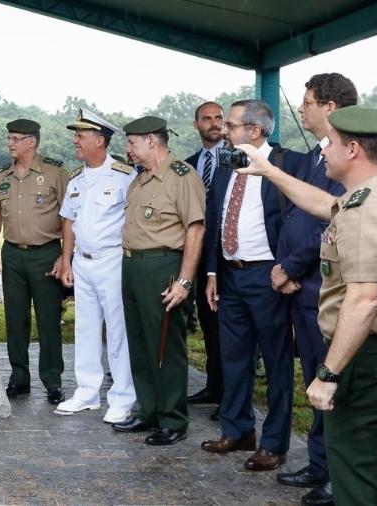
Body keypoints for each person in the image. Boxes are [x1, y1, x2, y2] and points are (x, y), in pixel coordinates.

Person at [235, 106, 377, 505]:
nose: (323, 151)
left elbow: (363, 301)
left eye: (332, 143)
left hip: (364, 361)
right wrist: (270, 171)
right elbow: (325, 206)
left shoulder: (366, 211)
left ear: (354, 151)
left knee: (360, 478)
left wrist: (329, 372)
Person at [200, 100, 295, 472]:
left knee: (276, 361)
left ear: (254, 131)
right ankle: (238, 431)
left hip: (268, 275)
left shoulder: (287, 165)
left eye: (231, 125)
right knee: (233, 358)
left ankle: (274, 444)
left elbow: (298, 220)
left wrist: (287, 267)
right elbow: (214, 220)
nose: (225, 130)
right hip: (230, 275)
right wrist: (212, 273)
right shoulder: (229, 163)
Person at [274, 73, 355, 506]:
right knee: (314, 378)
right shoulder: (312, 156)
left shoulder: (348, 158)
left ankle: (338, 475)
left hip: (325, 287)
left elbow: (332, 220)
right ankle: (318, 463)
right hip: (302, 290)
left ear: (330, 107)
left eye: (307, 103)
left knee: (333, 379)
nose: (302, 109)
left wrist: (289, 265)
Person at [112, 116, 205, 446]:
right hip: (133, 266)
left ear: (152, 141)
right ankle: (149, 410)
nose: (128, 150)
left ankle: (173, 420)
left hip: (163, 267)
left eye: (133, 143)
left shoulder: (182, 177)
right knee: (140, 345)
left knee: (166, 347)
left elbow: (195, 229)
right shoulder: (140, 179)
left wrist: (184, 281)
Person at [55, 109, 137, 423]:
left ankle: (122, 398)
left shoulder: (124, 175)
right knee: (85, 329)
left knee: (118, 332)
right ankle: (87, 393)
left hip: (112, 261)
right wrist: (66, 260)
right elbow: (68, 221)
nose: (76, 141)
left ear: (99, 140)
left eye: (81, 135)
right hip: (83, 264)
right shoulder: (76, 178)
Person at [0, 118, 68, 406]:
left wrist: (64, 256)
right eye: (9, 138)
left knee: (48, 320)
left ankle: (53, 381)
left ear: (32, 141)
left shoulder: (56, 172)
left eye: (16, 138)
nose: (10, 143)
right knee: (15, 319)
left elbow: (70, 217)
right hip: (12, 254)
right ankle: (18, 378)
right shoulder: (1, 175)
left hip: (46, 253)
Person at [185, 102, 225, 419]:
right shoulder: (189, 165)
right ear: (196, 124)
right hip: (198, 254)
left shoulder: (237, 158)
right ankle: (213, 385)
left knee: (229, 327)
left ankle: (231, 394)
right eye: (207, 118)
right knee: (208, 323)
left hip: (229, 254)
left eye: (218, 118)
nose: (214, 123)